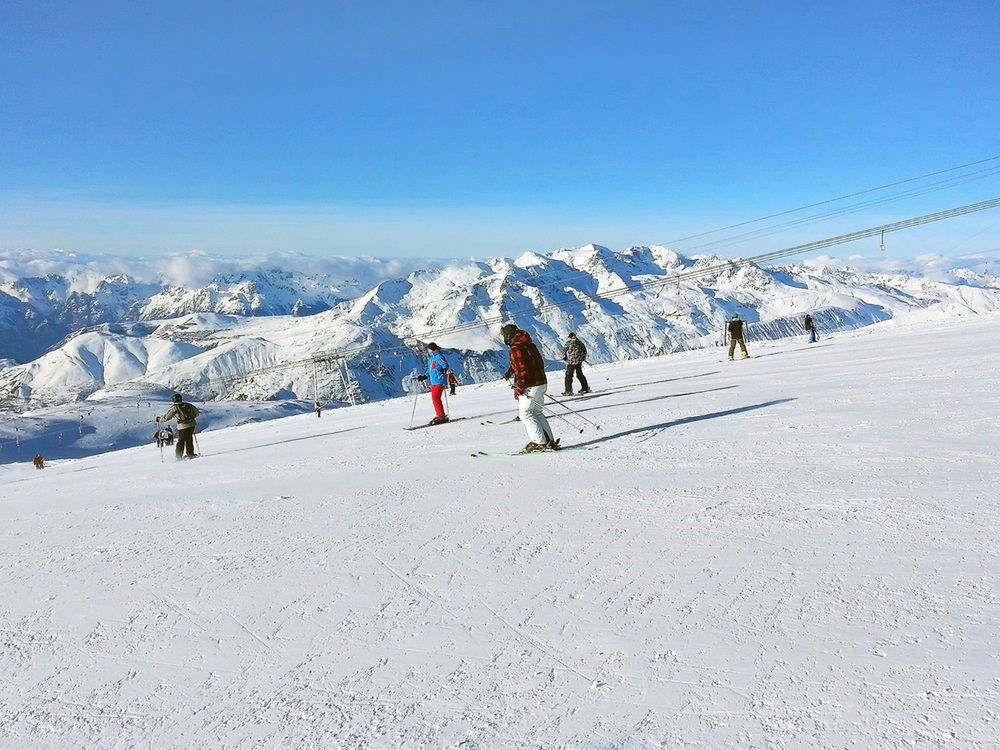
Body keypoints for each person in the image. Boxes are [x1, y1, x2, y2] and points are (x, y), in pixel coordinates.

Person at [501, 323, 558, 452]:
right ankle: (549, 440)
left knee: (526, 414)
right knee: (536, 412)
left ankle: (539, 442)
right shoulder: (529, 344)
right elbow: (530, 363)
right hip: (541, 382)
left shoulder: (516, 348)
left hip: (530, 385)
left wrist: (519, 387)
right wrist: (511, 371)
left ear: (509, 336)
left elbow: (522, 370)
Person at [158, 393, 200, 460]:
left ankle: (179, 457)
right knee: (189, 438)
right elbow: (197, 412)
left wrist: (159, 419)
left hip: (182, 426)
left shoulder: (175, 407)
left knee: (181, 441)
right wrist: (191, 418)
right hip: (192, 424)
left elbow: (167, 417)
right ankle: (190, 454)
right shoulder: (187, 405)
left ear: (174, 400)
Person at [416, 343, 450, 426]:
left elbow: (445, 364)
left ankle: (441, 417)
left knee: (436, 399)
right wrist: (424, 376)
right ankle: (440, 415)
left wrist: (443, 369)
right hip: (434, 381)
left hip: (439, 380)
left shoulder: (438, 356)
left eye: (428, 349)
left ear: (431, 349)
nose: (427, 350)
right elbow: (430, 370)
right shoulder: (431, 358)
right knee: (435, 399)